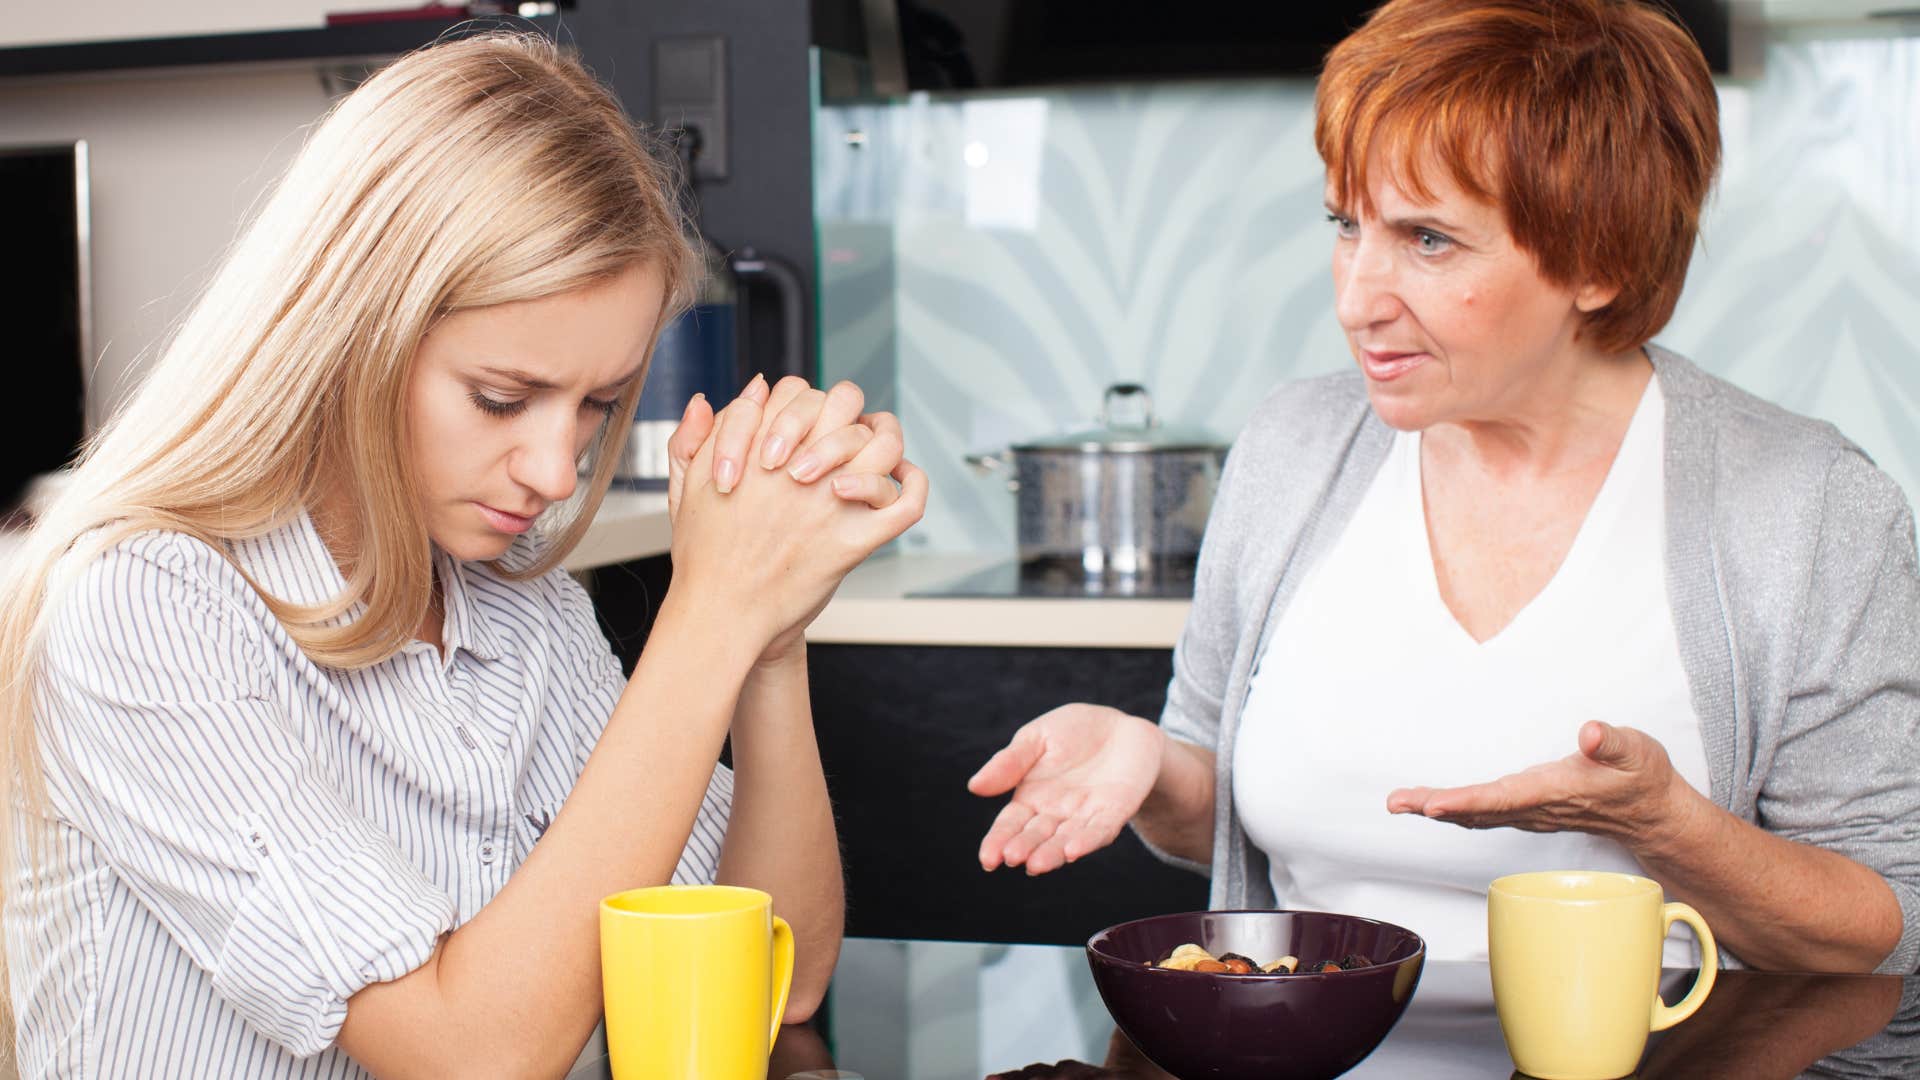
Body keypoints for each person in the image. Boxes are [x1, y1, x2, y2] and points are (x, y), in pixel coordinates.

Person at [0, 32, 924, 1078]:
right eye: (501, 398)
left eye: (596, 406)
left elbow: (779, 980)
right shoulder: (143, 609)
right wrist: (708, 612)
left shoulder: (518, 605)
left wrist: (767, 636)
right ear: (350, 330)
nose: (553, 469)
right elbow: (471, 1056)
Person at [969, 0, 1920, 975]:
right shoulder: (1291, 449)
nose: (1355, 301)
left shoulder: (1812, 510)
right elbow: (1219, 806)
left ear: (1600, 256)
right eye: (1347, 225)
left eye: (1428, 240)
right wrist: (1153, 768)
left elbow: (1883, 928)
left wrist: (1667, 826)